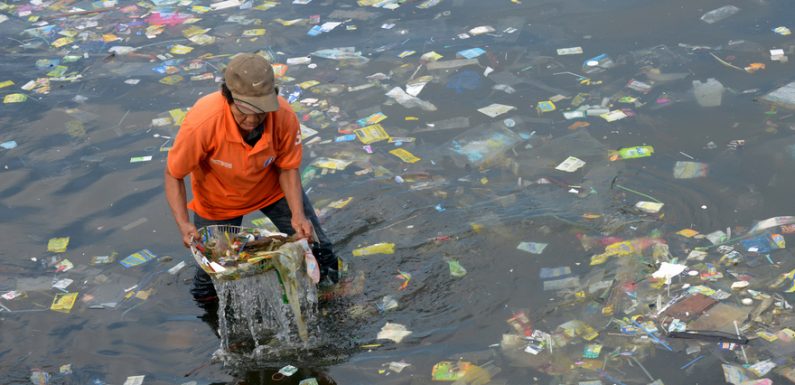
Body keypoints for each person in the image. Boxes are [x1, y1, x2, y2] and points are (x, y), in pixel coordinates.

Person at [164, 52, 339, 302]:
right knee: (213, 274)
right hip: (219, 201)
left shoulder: (284, 116)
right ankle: (212, 317)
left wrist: (298, 215)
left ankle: (330, 297)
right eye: (244, 111)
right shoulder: (203, 122)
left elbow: (288, 168)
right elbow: (174, 174)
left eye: (261, 111)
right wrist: (183, 224)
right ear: (228, 97)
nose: (252, 119)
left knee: (319, 247)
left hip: (272, 189)